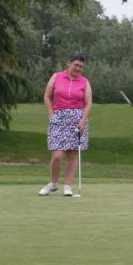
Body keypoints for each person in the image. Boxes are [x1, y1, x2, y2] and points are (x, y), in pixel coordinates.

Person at [39, 52, 92, 196]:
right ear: (69, 63)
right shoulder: (56, 77)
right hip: (58, 118)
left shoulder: (84, 82)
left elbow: (88, 103)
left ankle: (67, 186)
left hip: (77, 119)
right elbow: (47, 96)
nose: (78, 68)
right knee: (57, 155)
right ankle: (53, 183)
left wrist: (82, 121)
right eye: (76, 65)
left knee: (73, 154)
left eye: (81, 66)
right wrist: (51, 114)